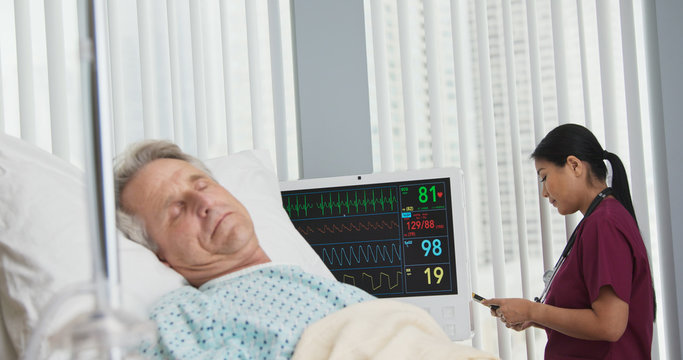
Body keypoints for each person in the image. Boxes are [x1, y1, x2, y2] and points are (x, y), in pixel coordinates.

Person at [114, 140, 375, 359]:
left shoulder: (331, 290)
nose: (204, 201)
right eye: (177, 209)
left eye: (203, 185)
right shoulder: (182, 317)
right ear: (160, 254)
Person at [482, 124, 655, 359]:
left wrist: (534, 310)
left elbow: (609, 325)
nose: (543, 192)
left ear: (574, 165)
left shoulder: (604, 224)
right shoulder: (600, 220)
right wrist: (533, 317)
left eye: (544, 176)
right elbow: (590, 319)